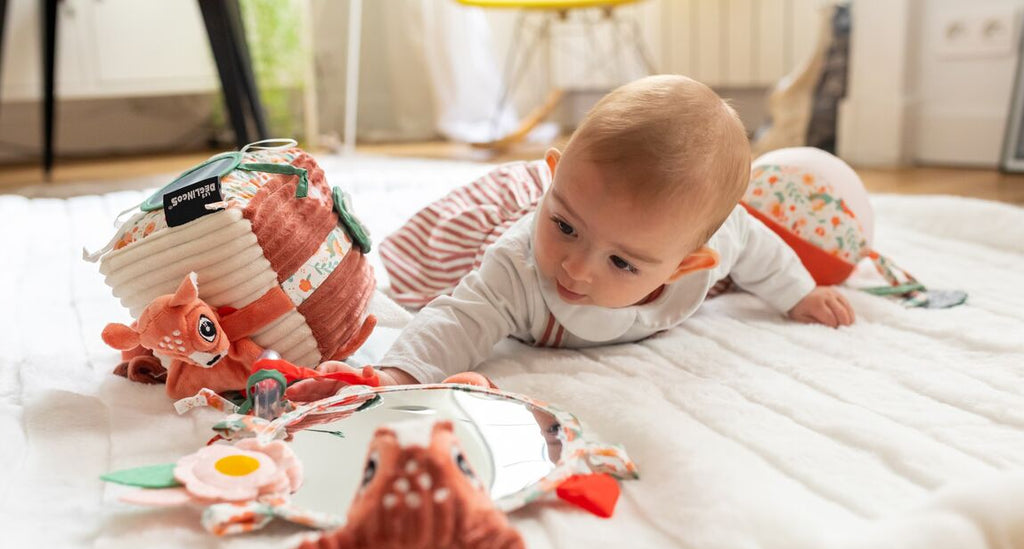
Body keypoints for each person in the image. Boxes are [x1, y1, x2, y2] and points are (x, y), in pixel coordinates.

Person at [305, 74, 855, 392]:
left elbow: (760, 246)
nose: (575, 268)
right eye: (564, 227)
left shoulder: (716, 243)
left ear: (689, 267)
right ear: (554, 177)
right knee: (422, 270)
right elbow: (458, 319)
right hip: (507, 214)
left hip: (601, 211)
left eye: (622, 264)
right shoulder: (520, 265)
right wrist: (395, 378)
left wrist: (800, 293)